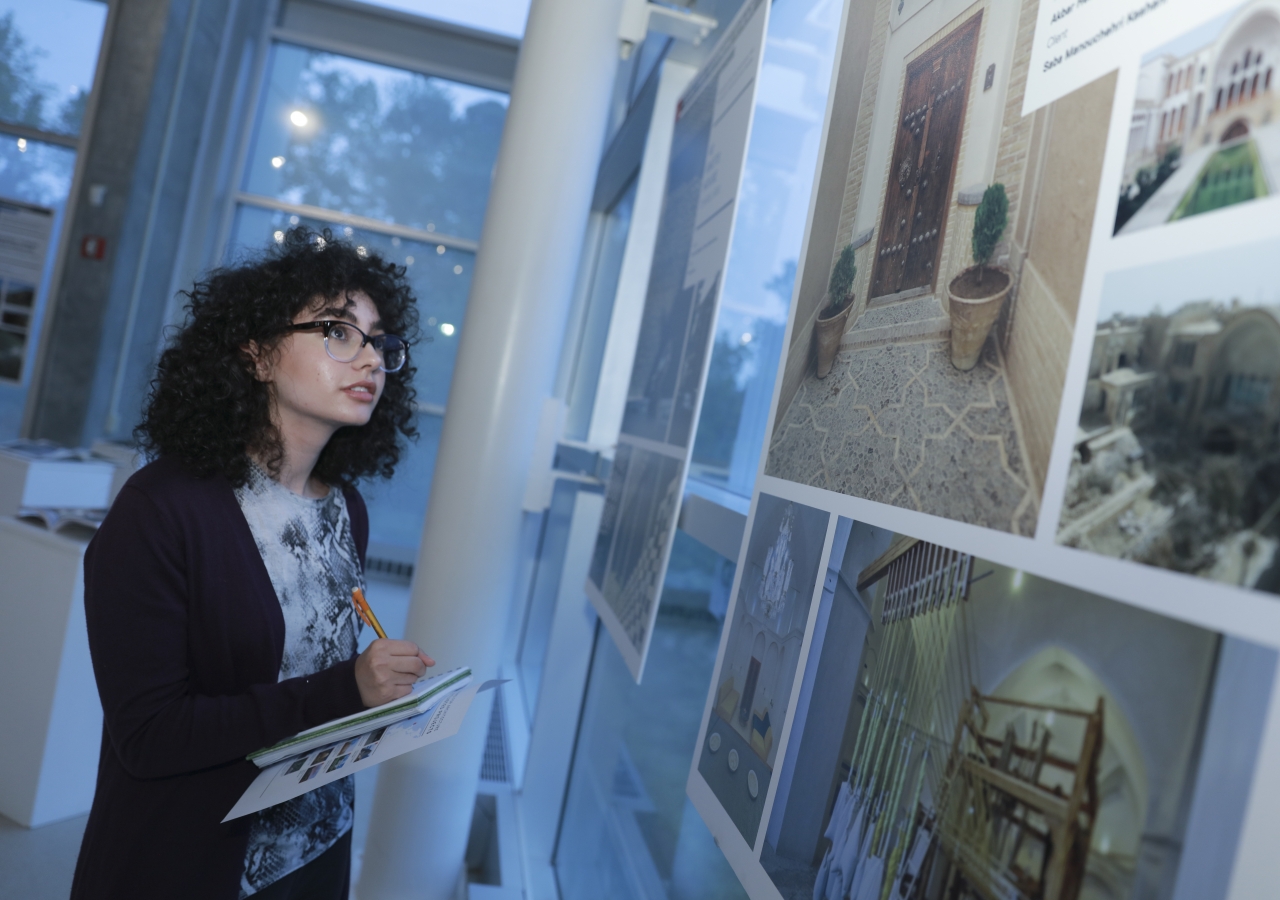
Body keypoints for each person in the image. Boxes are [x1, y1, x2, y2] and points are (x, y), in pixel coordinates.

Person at [71, 228, 434, 899]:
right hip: (189, 863)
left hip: (314, 850)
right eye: (337, 331)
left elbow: (308, 686)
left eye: (379, 341)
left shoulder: (345, 508)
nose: (371, 360)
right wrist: (346, 689)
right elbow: (149, 736)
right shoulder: (161, 509)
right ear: (257, 353)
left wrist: (374, 697)